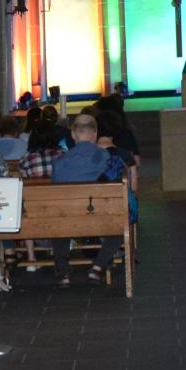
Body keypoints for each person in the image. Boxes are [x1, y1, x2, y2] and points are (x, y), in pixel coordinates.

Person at [49, 115, 126, 289]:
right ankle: (97, 267)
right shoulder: (105, 157)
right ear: (95, 133)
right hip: (99, 217)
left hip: (67, 218)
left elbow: (55, 192)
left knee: (57, 223)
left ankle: (63, 273)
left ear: (73, 134)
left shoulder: (59, 162)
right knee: (119, 225)